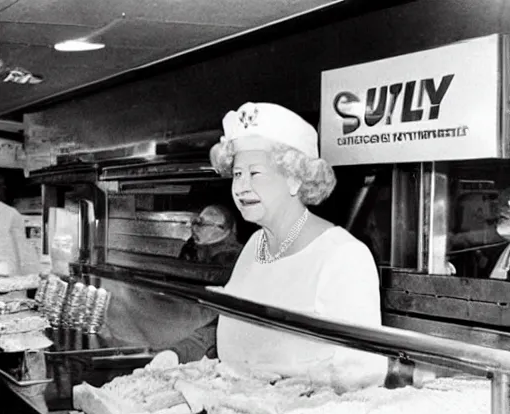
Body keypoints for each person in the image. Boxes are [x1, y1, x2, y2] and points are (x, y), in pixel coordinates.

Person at [165, 102, 388, 391]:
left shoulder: (343, 257)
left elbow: (363, 383)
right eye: (237, 174)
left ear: (295, 179)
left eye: (255, 174)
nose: (241, 187)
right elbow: (235, 322)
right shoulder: (256, 245)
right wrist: (179, 353)